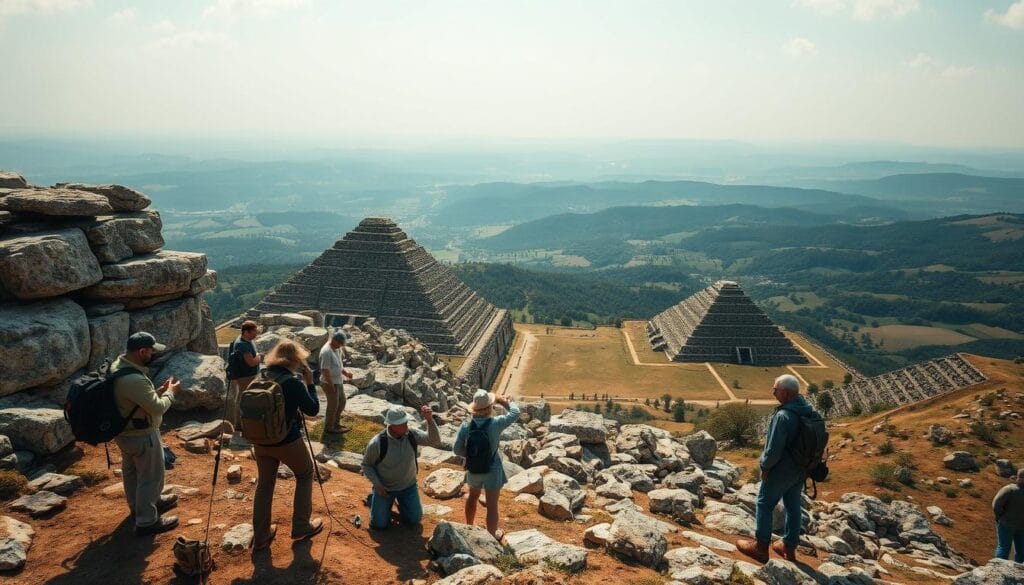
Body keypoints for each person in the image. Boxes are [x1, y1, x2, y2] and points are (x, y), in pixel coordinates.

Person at [251, 340, 323, 551]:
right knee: (304, 474)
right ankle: (301, 525)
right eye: (299, 359)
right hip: (286, 440)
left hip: (260, 441)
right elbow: (312, 410)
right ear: (293, 360)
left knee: (265, 485)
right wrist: (310, 383)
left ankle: (261, 536)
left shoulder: (261, 376)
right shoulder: (292, 382)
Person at [737, 374, 815, 563]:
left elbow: (772, 450)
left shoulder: (783, 416)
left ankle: (761, 547)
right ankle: (789, 547)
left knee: (764, 504)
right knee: (793, 507)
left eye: (776, 389)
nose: (772, 392)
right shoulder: (808, 411)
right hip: (801, 469)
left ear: (787, 394)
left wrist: (764, 467)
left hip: (781, 470)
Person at [112, 332, 181, 536]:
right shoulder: (133, 379)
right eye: (151, 350)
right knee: (150, 477)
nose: (153, 354)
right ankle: (147, 520)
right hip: (142, 434)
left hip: (124, 432)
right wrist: (171, 393)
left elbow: (135, 401)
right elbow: (158, 408)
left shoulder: (118, 367)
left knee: (132, 473)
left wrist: (157, 391)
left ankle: (140, 506)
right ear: (142, 351)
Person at [453, 390, 520, 541]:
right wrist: (503, 400)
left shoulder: (466, 426)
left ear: (474, 408)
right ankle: (491, 536)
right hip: (492, 467)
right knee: (492, 505)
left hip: (473, 468)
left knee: (472, 497)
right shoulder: (496, 423)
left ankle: (469, 526)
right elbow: (515, 413)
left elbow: (456, 449)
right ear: (490, 406)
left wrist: (473, 456)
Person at [361, 405, 441, 530]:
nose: (406, 425)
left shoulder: (411, 434)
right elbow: (366, 465)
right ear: (392, 425)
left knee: (414, 519)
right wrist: (377, 484)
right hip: (385, 489)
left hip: (408, 487)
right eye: (402, 423)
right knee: (379, 525)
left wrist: (429, 420)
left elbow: (434, 440)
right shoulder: (377, 443)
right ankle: (374, 500)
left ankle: (397, 502)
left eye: (406, 422)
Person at [226, 320, 261, 434]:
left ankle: (241, 424)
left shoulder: (244, 340)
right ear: (246, 332)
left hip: (244, 375)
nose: (256, 334)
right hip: (245, 376)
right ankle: (240, 425)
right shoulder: (243, 345)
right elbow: (251, 362)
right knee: (243, 399)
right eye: (254, 332)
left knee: (241, 397)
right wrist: (259, 357)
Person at [318, 330, 353, 435]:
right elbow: (325, 370)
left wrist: (345, 373)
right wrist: (331, 385)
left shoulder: (337, 348)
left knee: (342, 402)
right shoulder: (326, 352)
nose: (341, 346)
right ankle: (329, 427)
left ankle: (336, 423)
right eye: (340, 343)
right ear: (333, 340)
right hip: (329, 382)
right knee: (333, 405)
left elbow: (339, 364)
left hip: (338, 381)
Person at [993, 468, 1024, 562]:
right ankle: (1017, 571)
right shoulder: (1010, 489)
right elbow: (996, 505)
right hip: (1018, 526)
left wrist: (999, 517)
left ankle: (998, 568)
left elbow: (996, 505)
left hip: (1006, 524)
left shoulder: (1009, 489)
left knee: (1004, 548)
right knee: (1020, 551)